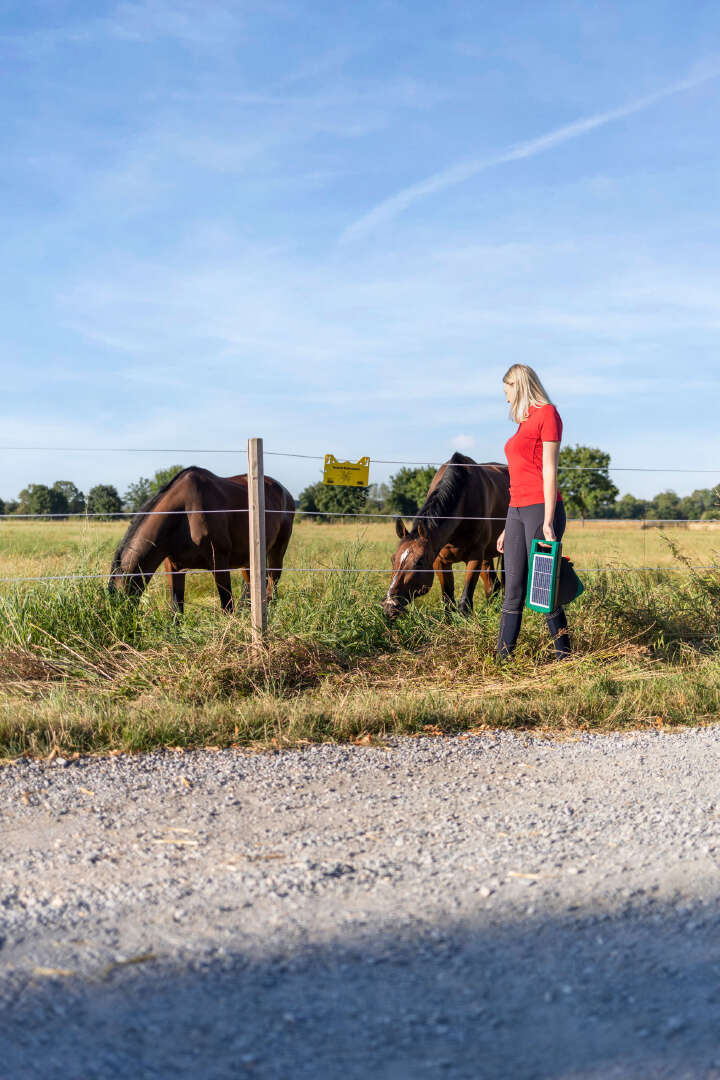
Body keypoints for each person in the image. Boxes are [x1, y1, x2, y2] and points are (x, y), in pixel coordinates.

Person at [496, 364, 570, 660]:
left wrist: (549, 520)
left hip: (542, 508)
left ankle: (565, 657)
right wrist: (506, 526)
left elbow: (550, 470)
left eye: (507, 391)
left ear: (519, 385)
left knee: (542, 588)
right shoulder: (523, 423)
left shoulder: (548, 414)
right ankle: (502, 660)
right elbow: (518, 478)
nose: (506, 399)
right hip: (516, 510)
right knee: (512, 587)